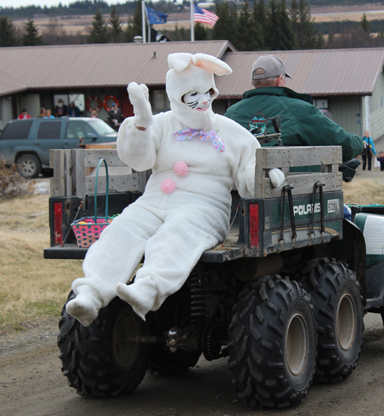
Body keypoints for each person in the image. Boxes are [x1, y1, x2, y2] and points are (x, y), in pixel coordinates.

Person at [64, 53, 284, 327]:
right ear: (176, 95)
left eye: (208, 92)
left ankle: (148, 289)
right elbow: (138, 158)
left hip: (205, 208)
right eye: (192, 94)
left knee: (177, 233)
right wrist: (142, 124)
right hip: (154, 201)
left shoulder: (229, 131)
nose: (202, 100)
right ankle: (91, 292)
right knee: (122, 228)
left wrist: (262, 174)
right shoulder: (163, 124)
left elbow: (248, 172)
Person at [224, 55, 364, 169]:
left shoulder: (231, 113)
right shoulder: (299, 110)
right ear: (280, 80)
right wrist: (360, 143)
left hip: (236, 193)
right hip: (289, 192)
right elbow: (341, 142)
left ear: (254, 83)